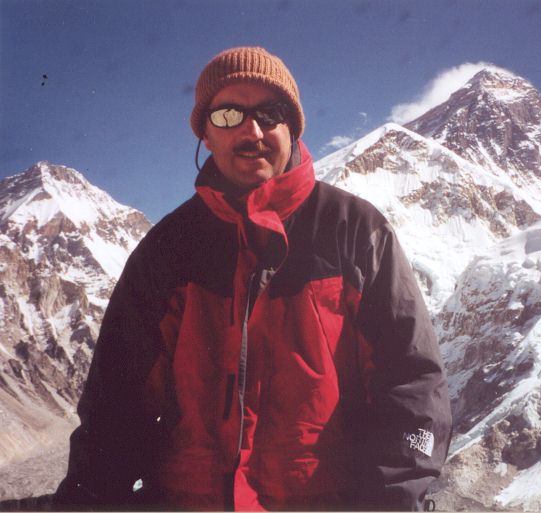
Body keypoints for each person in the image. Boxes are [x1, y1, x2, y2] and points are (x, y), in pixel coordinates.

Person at [53, 46, 452, 511]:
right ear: (205, 132)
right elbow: (116, 404)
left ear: (293, 127)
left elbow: (412, 387)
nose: (252, 130)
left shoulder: (355, 231)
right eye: (228, 115)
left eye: (270, 112)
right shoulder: (167, 250)